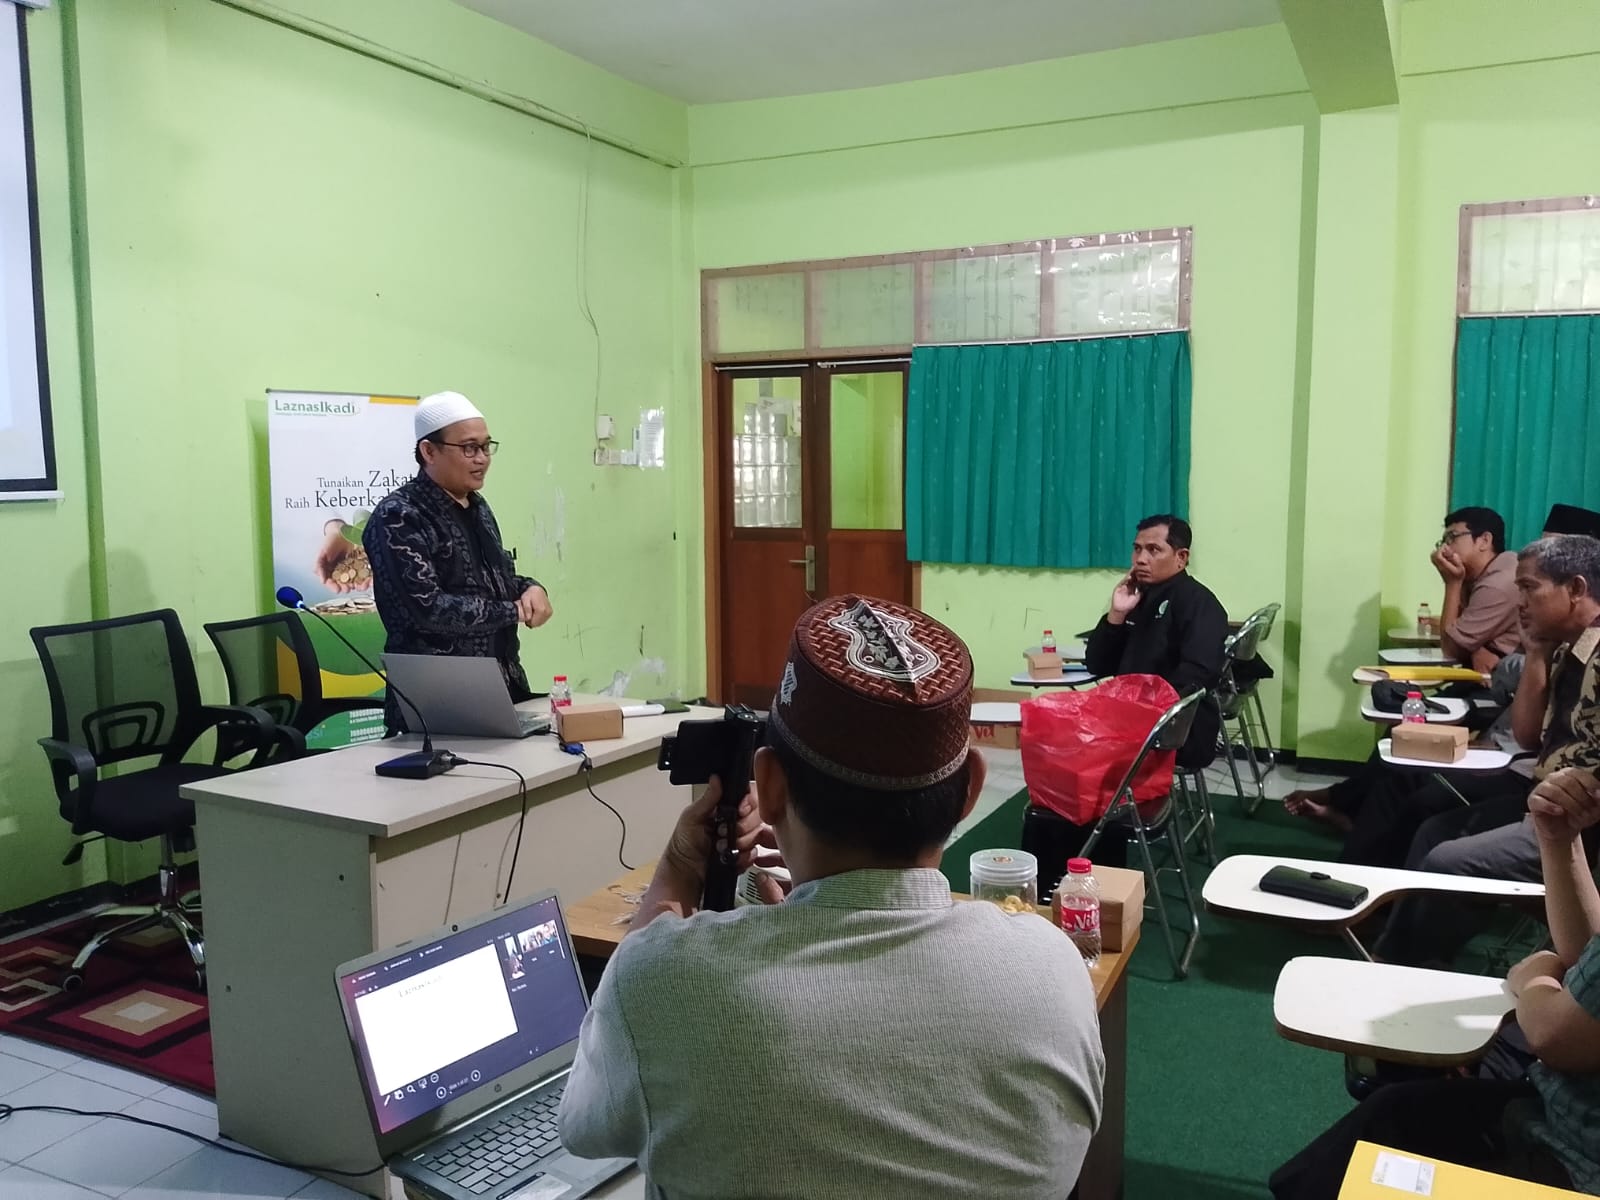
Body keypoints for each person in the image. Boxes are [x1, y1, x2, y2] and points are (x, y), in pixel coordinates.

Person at [559, 596, 1106, 1199]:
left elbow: (583, 1129)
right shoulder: (1054, 969)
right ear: (970, 789)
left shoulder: (662, 981)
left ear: (768, 786)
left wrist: (678, 872)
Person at [1268, 763, 1600, 1199]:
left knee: (1438, 841)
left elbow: (1556, 1036)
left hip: (1574, 1162)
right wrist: (1558, 838)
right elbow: (1587, 957)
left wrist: (1535, 974)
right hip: (1554, 1108)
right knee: (1387, 1113)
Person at [1375, 533, 1600, 965]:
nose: (1520, 603)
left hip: (1579, 827)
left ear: (1575, 589)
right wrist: (1537, 652)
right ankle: (1394, 953)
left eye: (1529, 588)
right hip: (1541, 804)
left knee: (1448, 861)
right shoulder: (1564, 648)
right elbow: (1529, 737)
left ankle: (1403, 969)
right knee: (1433, 830)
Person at [364, 391, 553, 731]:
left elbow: (493, 579)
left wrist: (531, 588)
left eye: (486, 447)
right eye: (469, 448)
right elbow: (426, 610)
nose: (482, 459)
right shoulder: (399, 516)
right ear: (429, 451)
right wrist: (513, 610)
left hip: (501, 686)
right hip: (434, 702)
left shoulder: (478, 507)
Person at [1083, 514, 1228, 768]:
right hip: (1132, 717)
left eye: (1153, 550)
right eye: (1137, 549)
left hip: (1177, 730)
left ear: (1181, 557)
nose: (1141, 559)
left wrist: (1138, 708)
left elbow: (1197, 675)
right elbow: (1097, 664)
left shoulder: (1199, 603)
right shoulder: (1138, 598)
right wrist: (1116, 613)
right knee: (1055, 728)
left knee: (1074, 743)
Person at [1433, 506, 1522, 672]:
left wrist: (1452, 583)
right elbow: (1459, 633)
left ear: (1484, 541)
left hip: (1503, 679)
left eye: (1452, 538)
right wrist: (1475, 649)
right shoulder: (1484, 573)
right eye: (1443, 541)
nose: (1445, 548)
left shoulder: (1498, 584)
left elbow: (1450, 650)